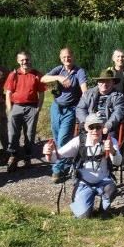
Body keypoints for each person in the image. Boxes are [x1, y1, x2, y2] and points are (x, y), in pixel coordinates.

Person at [43, 113, 122, 218]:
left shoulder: (110, 141)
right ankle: (84, 206)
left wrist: (112, 150)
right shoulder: (79, 141)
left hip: (104, 181)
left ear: (103, 127)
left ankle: (103, 210)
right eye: (91, 127)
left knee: (111, 189)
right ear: (86, 128)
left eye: (98, 127)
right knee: (83, 216)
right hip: (84, 183)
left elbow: (118, 162)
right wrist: (48, 154)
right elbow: (56, 157)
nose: (95, 130)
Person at [41, 48, 88, 183]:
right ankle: (66, 164)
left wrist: (86, 102)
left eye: (69, 56)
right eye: (64, 57)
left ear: (73, 57)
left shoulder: (79, 71)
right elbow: (43, 79)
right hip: (56, 108)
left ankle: (57, 170)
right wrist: (58, 77)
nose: (67, 59)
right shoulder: (59, 70)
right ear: (60, 58)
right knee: (56, 137)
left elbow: (84, 88)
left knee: (63, 138)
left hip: (71, 109)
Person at [4, 51, 47, 172]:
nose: (25, 62)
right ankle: (13, 156)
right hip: (16, 107)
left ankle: (27, 157)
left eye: (27, 59)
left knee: (29, 134)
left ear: (30, 59)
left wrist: (38, 108)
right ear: (18, 61)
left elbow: (42, 93)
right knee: (13, 133)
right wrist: (9, 109)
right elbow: (8, 93)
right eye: (22, 60)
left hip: (31, 107)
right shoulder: (14, 74)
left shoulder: (37, 74)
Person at [75, 69, 124, 137]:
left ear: (113, 83)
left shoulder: (119, 96)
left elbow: (118, 112)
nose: (104, 84)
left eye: (108, 81)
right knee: (82, 142)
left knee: (110, 142)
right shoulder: (88, 94)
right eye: (102, 81)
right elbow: (80, 108)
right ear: (98, 82)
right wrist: (86, 123)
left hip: (108, 126)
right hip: (89, 124)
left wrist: (107, 126)